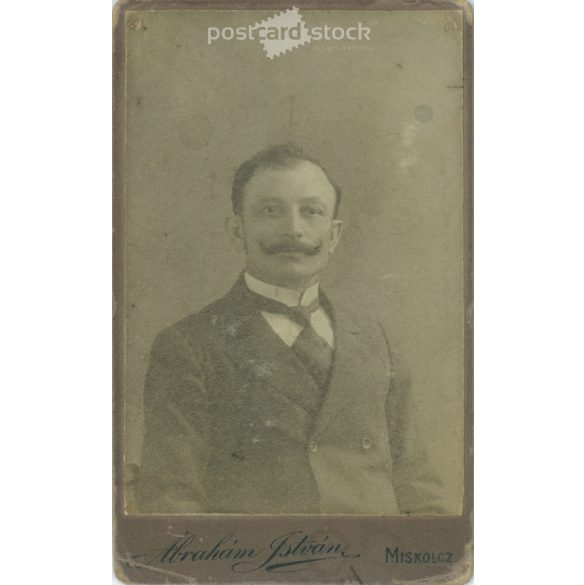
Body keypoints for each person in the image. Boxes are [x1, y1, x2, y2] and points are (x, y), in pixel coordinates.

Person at [135, 144, 446, 514]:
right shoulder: (189, 346)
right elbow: (171, 501)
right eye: (271, 211)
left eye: (311, 212)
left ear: (334, 234)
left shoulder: (379, 341)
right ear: (238, 231)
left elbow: (422, 491)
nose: (294, 229)